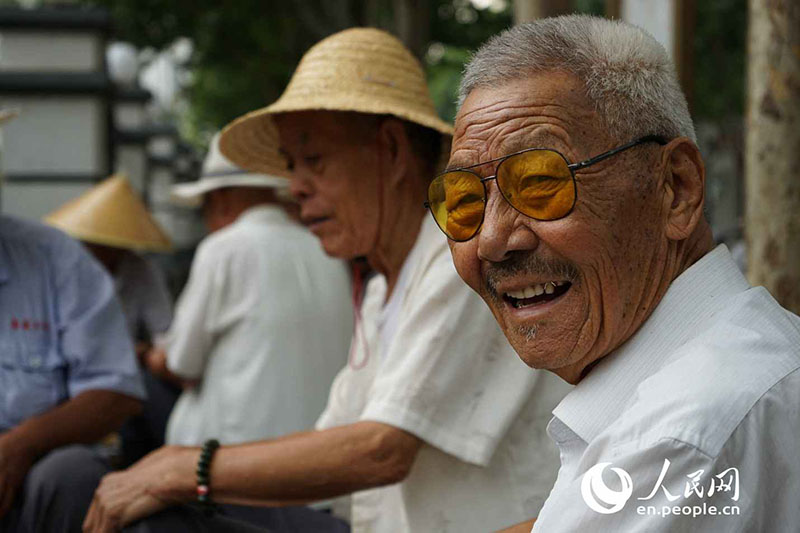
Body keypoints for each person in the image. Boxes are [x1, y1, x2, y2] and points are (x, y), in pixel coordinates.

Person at [82, 28, 569, 533]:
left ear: (391, 151)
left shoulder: (457, 259)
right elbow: (339, 438)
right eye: (291, 166)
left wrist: (184, 468)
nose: (295, 188)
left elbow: (380, 450)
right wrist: (179, 474)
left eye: (314, 160)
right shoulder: (380, 288)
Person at [439, 15, 800, 532]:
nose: (492, 240)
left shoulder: (679, 434)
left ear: (676, 188)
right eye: (463, 201)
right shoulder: (744, 356)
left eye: (540, 183)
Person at [143, 131, 352, 448]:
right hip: (320, 446)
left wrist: (154, 357)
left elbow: (183, 363)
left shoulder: (222, 249)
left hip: (235, 456)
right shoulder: (325, 251)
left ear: (220, 199)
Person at [0, 211, 146, 532]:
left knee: (73, 472)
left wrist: (21, 445)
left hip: (34, 467)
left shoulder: (56, 255)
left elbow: (117, 391)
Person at [45, 175, 177, 465]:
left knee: (151, 399)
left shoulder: (141, 271)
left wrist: (145, 353)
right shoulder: (62, 270)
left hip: (126, 371)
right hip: (70, 371)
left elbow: (164, 331)